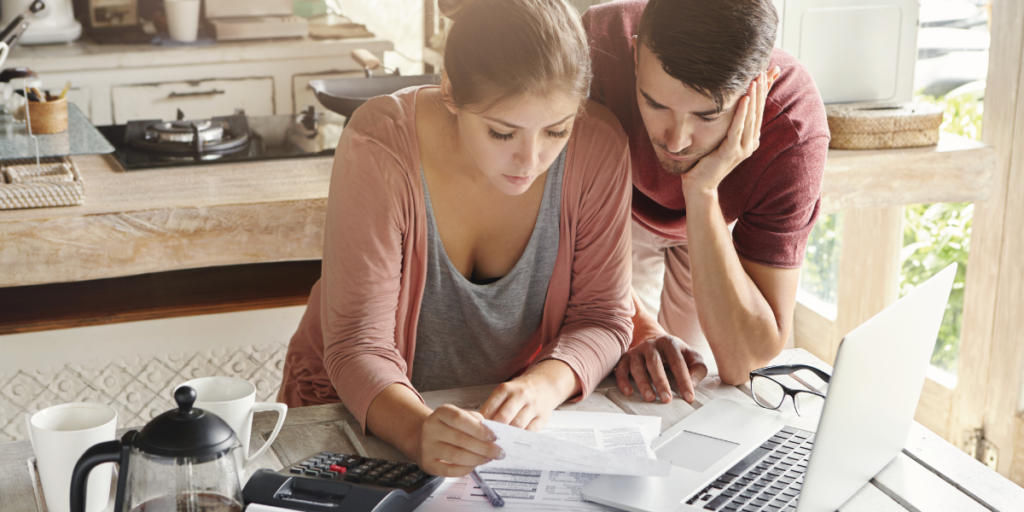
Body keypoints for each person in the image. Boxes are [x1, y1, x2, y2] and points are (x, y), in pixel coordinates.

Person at [277, 0, 635, 477]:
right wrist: (416, 429)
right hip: (351, 412)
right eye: (502, 133)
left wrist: (542, 387)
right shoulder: (379, 144)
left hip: (492, 431)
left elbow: (603, 317)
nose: (530, 160)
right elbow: (358, 345)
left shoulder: (600, 150)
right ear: (450, 91)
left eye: (556, 130)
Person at [582, 0, 830, 403]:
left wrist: (701, 191)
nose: (676, 141)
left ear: (757, 88)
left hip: (713, 220)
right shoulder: (595, 47)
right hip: (607, 206)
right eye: (655, 103)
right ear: (635, 56)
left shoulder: (794, 131)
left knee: (693, 379)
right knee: (618, 364)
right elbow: (547, 225)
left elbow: (743, 359)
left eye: (708, 115)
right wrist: (641, 329)